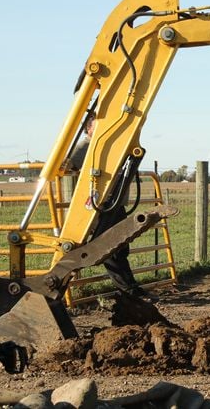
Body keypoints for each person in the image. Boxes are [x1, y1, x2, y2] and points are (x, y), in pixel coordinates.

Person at [66, 111, 158, 302]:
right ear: (89, 128)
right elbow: (68, 167)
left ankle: (129, 289)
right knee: (109, 247)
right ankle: (128, 292)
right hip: (99, 206)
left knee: (120, 247)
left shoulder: (108, 146)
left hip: (114, 204)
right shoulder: (85, 147)